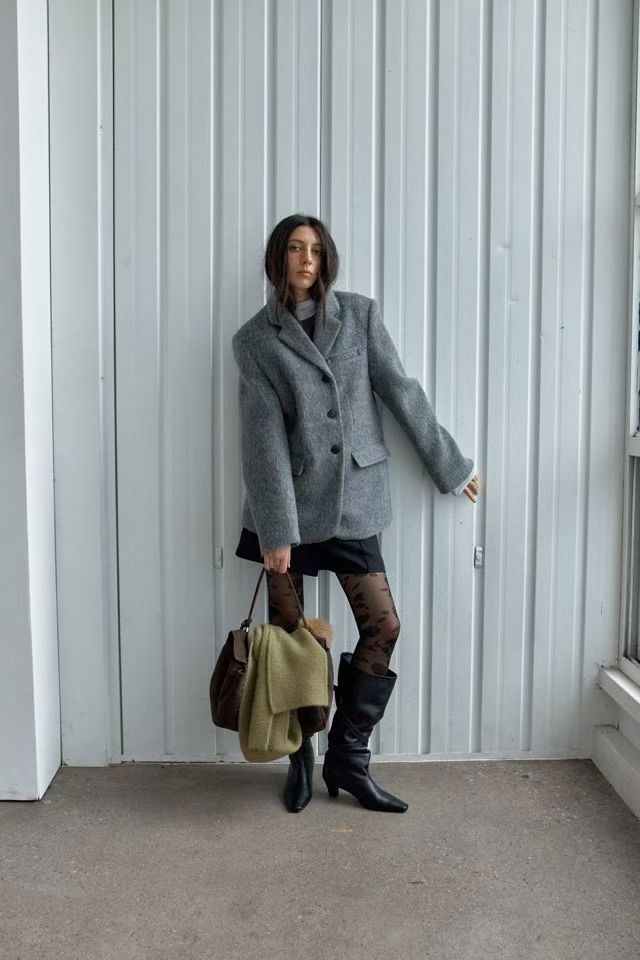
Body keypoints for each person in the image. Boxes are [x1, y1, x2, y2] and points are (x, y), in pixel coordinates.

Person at [231, 213, 479, 814]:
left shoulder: (360, 316)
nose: (306, 259)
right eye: (295, 248)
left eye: (316, 249)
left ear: (327, 259)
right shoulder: (255, 340)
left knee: (383, 626)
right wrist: (276, 532)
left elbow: (401, 390)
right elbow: (262, 441)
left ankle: (348, 755)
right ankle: (299, 757)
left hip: (355, 500)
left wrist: (452, 466)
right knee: (289, 640)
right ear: (278, 258)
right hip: (288, 507)